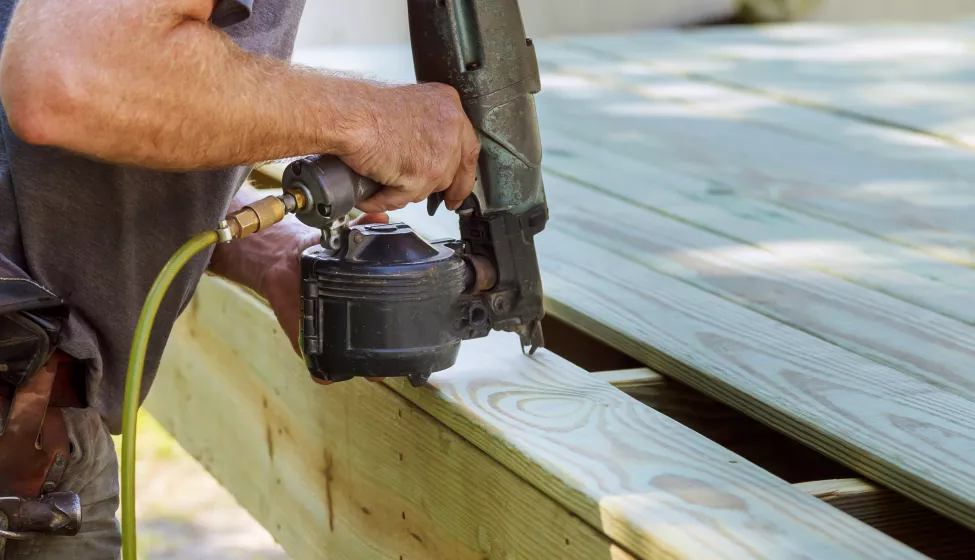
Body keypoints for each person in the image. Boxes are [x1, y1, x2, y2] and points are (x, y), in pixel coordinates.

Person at [0, 0, 480, 557]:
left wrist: (269, 252)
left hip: (40, 436)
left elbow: (88, 137)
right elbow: (72, 75)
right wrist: (372, 117)